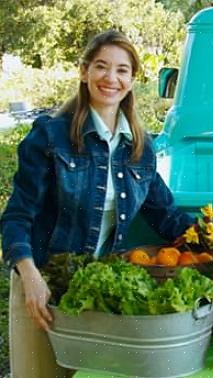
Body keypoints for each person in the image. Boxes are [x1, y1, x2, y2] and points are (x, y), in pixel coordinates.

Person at [0, 30, 194, 378]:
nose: (111, 78)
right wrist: (29, 277)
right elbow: (17, 216)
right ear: (84, 71)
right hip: (42, 283)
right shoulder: (50, 135)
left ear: (133, 80)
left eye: (122, 70)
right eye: (101, 67)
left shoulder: (139, 146)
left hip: (97, 290)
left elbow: (167, 216)